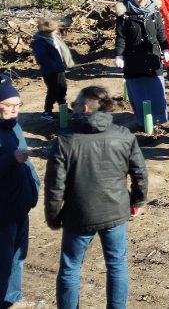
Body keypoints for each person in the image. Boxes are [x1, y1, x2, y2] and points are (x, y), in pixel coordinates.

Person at [45, 85, 148, 309]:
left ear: (83, 108)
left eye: (73, 105)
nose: (72, 109)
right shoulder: (123, 136)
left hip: (78, 216)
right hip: (116, 212)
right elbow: (139, 172)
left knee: (71, 268)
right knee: (117, 266)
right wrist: (137, 201)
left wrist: (53, 217)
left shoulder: (65, 142)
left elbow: (55, 187)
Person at [1, 75, 39, 309]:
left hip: (20, 205)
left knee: (18, 257)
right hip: (3, 211)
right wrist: (10, 159)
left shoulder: (14, 126)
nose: (15, 111)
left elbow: (25, 160)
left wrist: (35, 183)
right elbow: (15, 159)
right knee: (3, 263)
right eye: (8, 107)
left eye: (18, 106)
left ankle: (12, 298)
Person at [114, 0, 169, 128]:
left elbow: (160, 33)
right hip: (133, 60)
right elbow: (120, 37)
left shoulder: (154, 12)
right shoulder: (125, 15)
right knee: (138, 92)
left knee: (157, 91)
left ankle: (159, 119)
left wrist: (165, 49)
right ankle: (142, 121)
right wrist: (119, 55)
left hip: (152, 57)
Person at [32, 18, 74, 122]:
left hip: (59, 68)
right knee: (53, 91)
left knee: (63, 87)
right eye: (55, 29)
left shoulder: (52, 37)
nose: (57, 30)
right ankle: (47, 111)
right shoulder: (40, 42)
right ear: (47, 31)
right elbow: (41, 58)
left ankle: (62, 105)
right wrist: (56, 66)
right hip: (50, 71)